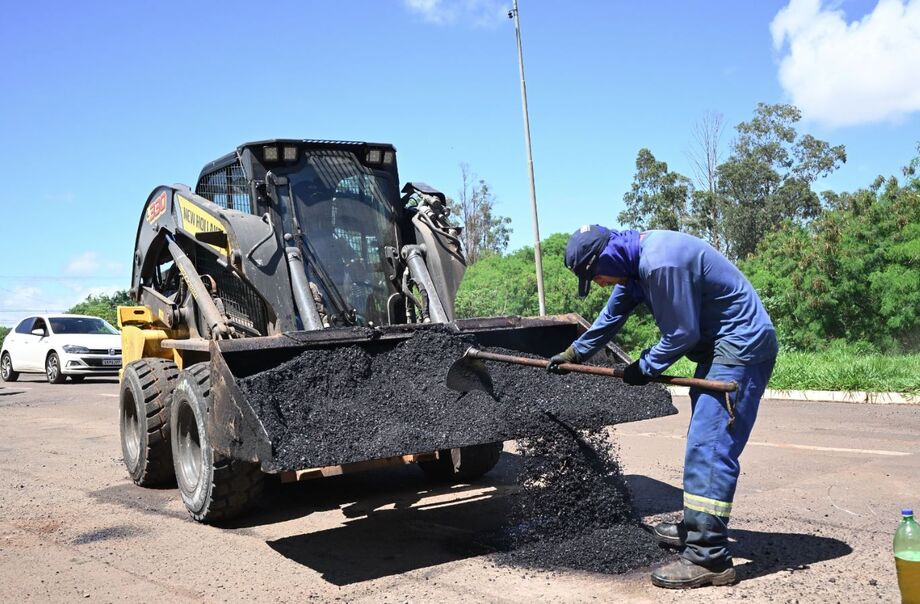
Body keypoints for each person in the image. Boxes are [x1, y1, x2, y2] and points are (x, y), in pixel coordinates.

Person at [547, 225, 778, 589]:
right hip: (721, 348)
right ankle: (696, 526)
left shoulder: (659, 262)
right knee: (704, 440)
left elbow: (682, 333)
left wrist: (645, 366)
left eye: (597, 276)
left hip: (740, 347)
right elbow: (611, 317)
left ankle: (709, 557)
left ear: (605, 258)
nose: (602, 284)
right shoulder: (637, 262)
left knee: (710, 445)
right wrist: (573, 353)